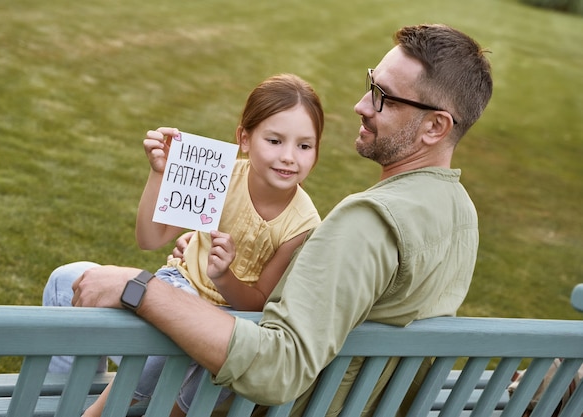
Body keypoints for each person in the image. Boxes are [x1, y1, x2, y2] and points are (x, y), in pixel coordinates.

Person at [71, 23, 493, 416]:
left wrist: (140, 288)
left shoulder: (368, 222)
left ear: (435, 126)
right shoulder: (459, 212)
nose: (361, 105)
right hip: (367, 401)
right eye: (370, 85)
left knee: (77, 287)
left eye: (383, 96)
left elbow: (279, 368)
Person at [43, 73, 324, 416]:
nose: (289, 157)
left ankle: (96, 412)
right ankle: (60, 400)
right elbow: (151, 238)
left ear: (317, 150)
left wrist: (223, 277)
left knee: (162, 347)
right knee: (65, 279)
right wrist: (159, 175)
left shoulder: (303, 224)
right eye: (275, 141)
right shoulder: (221, 178)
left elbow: (259, 304)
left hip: (227, 327)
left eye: (304, 146)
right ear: (245, 139)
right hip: (175, 287)